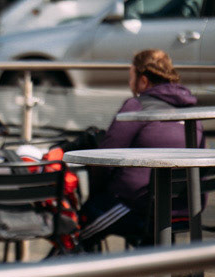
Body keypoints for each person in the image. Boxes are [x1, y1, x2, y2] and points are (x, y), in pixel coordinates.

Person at [78, 49, 204, 248]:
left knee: (77, 229)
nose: (130, 84)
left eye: (131, 78)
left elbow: (104, 158)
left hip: (139, 209)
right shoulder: (193, 113)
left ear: (143, 81)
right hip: (185, 210)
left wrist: (96, 195)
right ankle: (158, 275)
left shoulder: (136, 106)